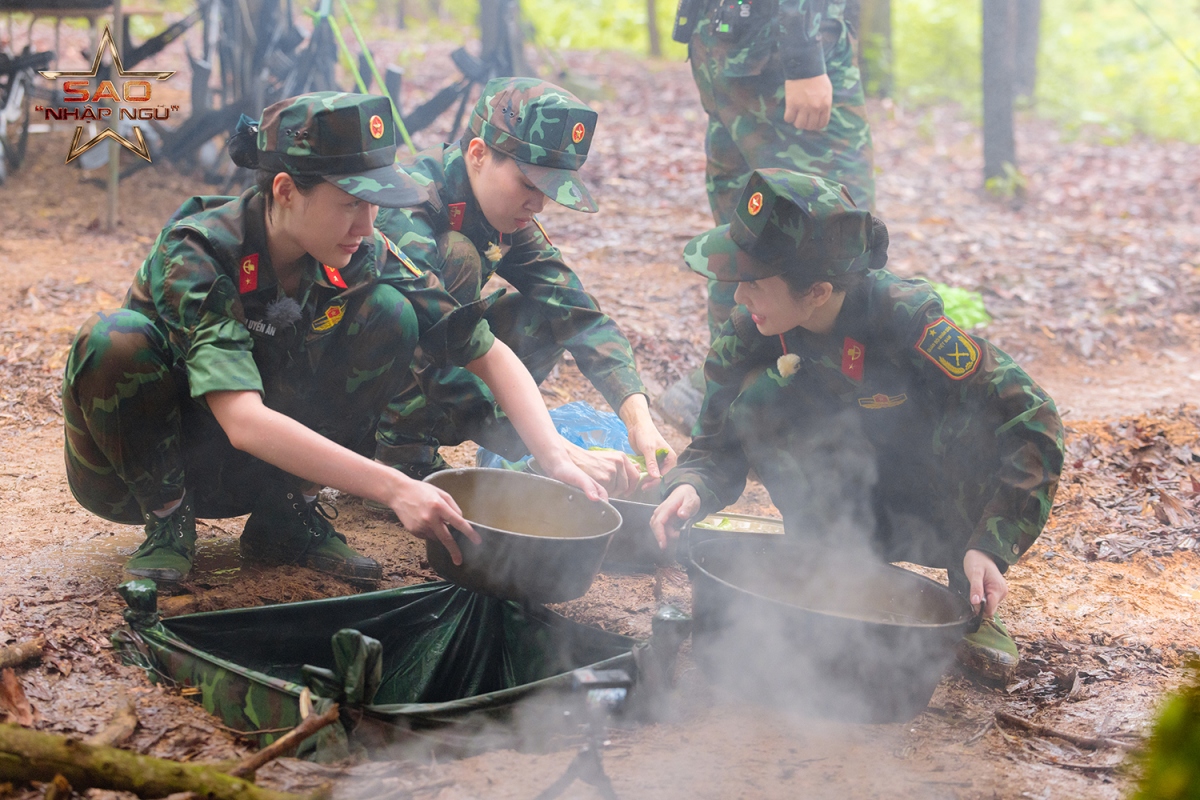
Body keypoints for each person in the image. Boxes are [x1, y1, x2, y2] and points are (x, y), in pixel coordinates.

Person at [62, 92, 617, 588]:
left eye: (374, 205)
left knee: (391, 315)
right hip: (149, 468)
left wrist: (555, 457)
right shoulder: (199, 252)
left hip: (255, 470)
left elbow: (483, 349)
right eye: (351, 203)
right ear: (285, 190)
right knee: (114, 338)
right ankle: (169, 520)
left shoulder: (360, 253)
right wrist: (395, 487)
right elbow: (242, 419)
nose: (367, 225)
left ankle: (289, 514)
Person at [650, 170, 1064, 682]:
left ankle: (971, 601)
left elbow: (1033, 419)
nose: (740, 299)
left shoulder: (905, 320)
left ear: (818, 290)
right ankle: (827, 563)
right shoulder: (750, 336)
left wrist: (992, 543)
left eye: (754, 284)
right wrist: (691, 485)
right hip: (846, 496)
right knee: (762, 397)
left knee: (976, 421)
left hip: (933, 495)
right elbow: (714, 445)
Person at [371, 77, 675, 495]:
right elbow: (441, 336)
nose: (539, 204)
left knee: (547, 314)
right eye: (530, 185)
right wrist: (546, 448)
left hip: (430, 375)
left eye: (548, 191)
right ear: (478, 154)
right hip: (346, 392)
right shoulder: (412, 204)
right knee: (458, 255)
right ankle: (399, 454)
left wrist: (637, 415)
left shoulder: (502, 213)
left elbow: (578, 313)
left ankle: (422, 438)